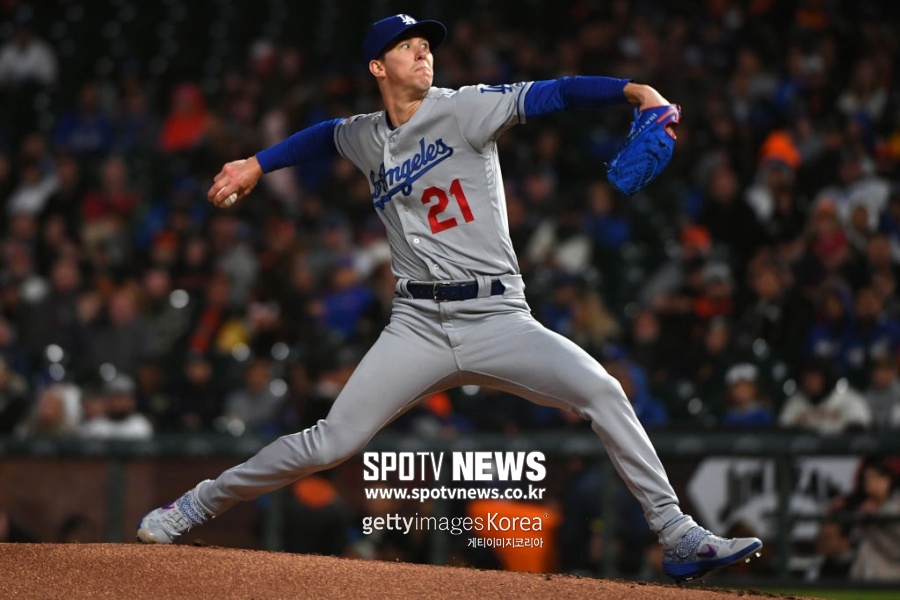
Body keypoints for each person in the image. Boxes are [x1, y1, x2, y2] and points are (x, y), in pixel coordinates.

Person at [137, 14, 762, 581]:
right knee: (331, 442)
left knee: (603, 392)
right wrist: (256, 163)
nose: (423, 53)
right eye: (407, 47)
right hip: (416, 325)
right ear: (378, 67)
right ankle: (194, 505)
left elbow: (557, 92)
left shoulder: (465, 108)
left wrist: (634, 91)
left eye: (426, 45)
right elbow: (325, 136)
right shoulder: (365, 136)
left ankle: (677, 534)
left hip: (497, 317)